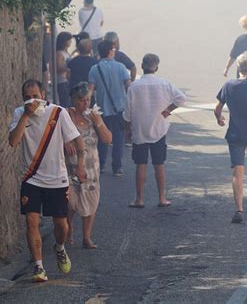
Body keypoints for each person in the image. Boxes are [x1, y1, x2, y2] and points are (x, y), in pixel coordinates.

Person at [8, 79, 87, 282]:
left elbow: (77, 138)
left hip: (57, 179)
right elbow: (13, 141)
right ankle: (38, 267)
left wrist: (81, 164)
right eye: (27, 97)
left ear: (43, 94)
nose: (32, 100)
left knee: (61, 225)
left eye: (35, 95)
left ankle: (59, 247)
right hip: (31, 178)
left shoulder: (58, 113)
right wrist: (26, 114)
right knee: (31, 220)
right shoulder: (20, 114)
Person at [123, 54, 186, 208]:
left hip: (139, 129)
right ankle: (162, 198)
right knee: (159, 164)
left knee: (140, 164)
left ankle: (139, 199)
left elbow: (127, 112)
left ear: (142, 66)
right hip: (159, 128)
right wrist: (168, 110)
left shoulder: (134, 86)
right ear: (156, 68)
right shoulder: (165, 84)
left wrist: (128, 130)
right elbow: (181, 98)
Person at [215, 52, 247, 224]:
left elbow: (217, 107)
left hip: (235, 133)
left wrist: (219, 118)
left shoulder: (229, 85)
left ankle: (239, 208)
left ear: (238, 67)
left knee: (238, 170)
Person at [64, 82, 112, 249]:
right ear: (73, 100)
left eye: (88, 100)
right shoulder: (66, 115)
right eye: (82, 100)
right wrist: (64, 142)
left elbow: (108, 139)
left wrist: (98, 123)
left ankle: (86, 237)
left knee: (91, 201)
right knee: (71, 203)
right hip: (70, 167)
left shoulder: (93, 116)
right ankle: (68, 229)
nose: (86, 104)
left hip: (91, 168)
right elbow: (55, 136)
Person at [88, 40, 131, 176]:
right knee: (118, 138)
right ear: (110, 51)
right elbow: (129, 86)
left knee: (102, 138)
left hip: (102, 109)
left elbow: (90, 90)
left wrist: (88, 108)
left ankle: (100, 165)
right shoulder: (121, 67)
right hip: (119, 108)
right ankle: (117, 167)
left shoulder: (95, 69)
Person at [56, 31, 73, 107]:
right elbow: (58, 67)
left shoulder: (65, 52)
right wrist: (68, 68)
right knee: (65, 103)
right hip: (62, 81)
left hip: (66, 80)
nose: (71, 42)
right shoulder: (59, 53)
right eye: (69, 40)